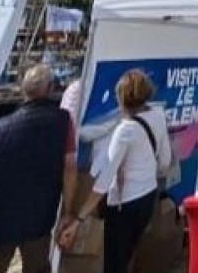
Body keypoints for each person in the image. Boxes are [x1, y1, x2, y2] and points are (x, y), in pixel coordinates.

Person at [0, 64, 77, 273]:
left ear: (24, 91)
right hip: (39, 219)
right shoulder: (63, 121)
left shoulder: (0, 129)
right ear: (50, 89)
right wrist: (68, 213)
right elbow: (69, 169)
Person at [60, 69, 172, 273]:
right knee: (127, 255)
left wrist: (78, 219)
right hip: (148, 196)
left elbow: (105, 180)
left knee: (114, 262)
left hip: (124, 204)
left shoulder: (124, 130)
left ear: (122, 98)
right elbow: (164, 161)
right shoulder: (158, 115)